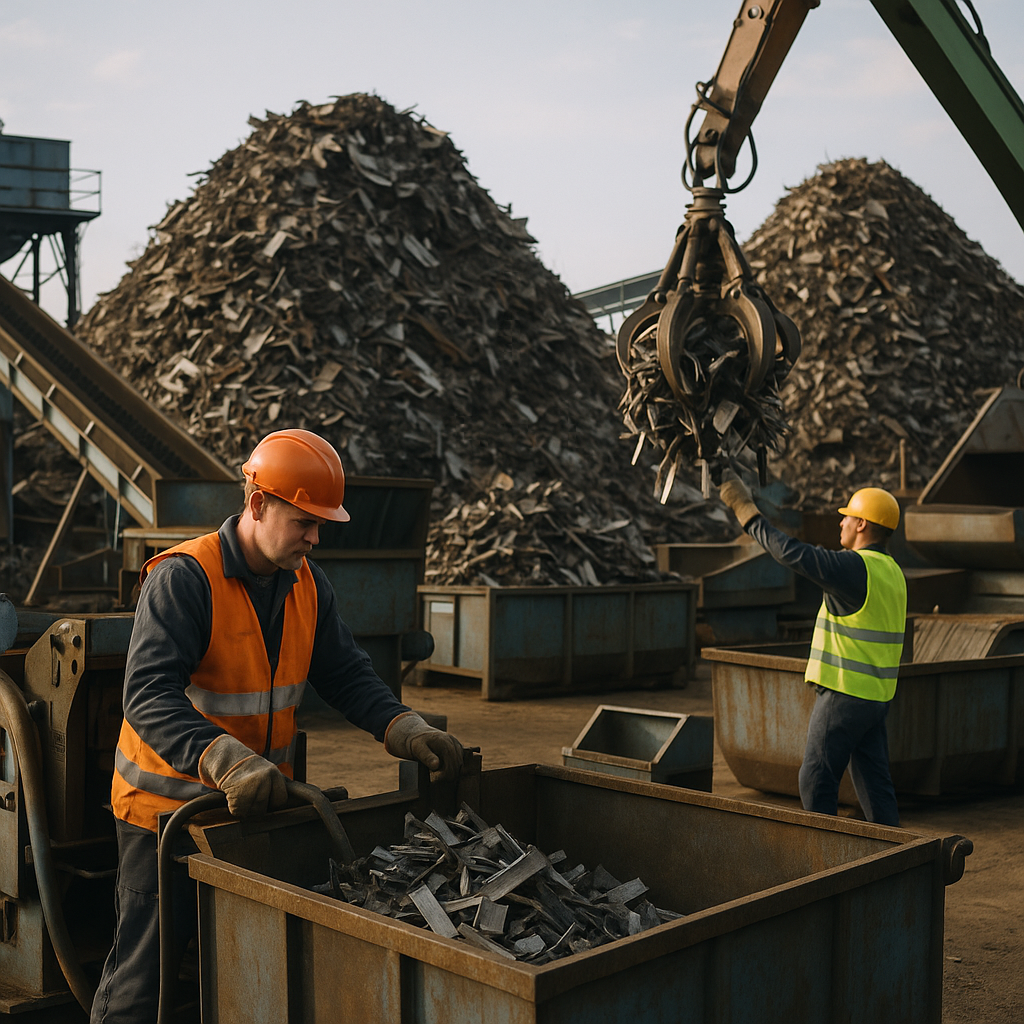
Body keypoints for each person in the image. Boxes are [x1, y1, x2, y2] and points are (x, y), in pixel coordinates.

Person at [91, 428, 464, 1024]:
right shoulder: (186, 578)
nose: (315, 539)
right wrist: (227, 760)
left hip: (252, 813)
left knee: (240, 970)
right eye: (304, 522)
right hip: (165, 818)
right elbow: (147, 694)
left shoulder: (307, 585)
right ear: (259, 503)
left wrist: (403, 726)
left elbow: (346, 675)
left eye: (321, 526)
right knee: (145, 982)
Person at [718, 475, 906, 827]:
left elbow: (792, 553)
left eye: (847, 516)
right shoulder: (892, 572)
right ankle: (895, 858)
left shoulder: (854, 568)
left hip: (844, 693)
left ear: (862, 524)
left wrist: (747, 512)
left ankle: (824, 859)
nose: (842, 522)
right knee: (876, 788)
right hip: (876, 699)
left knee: (816, 779)